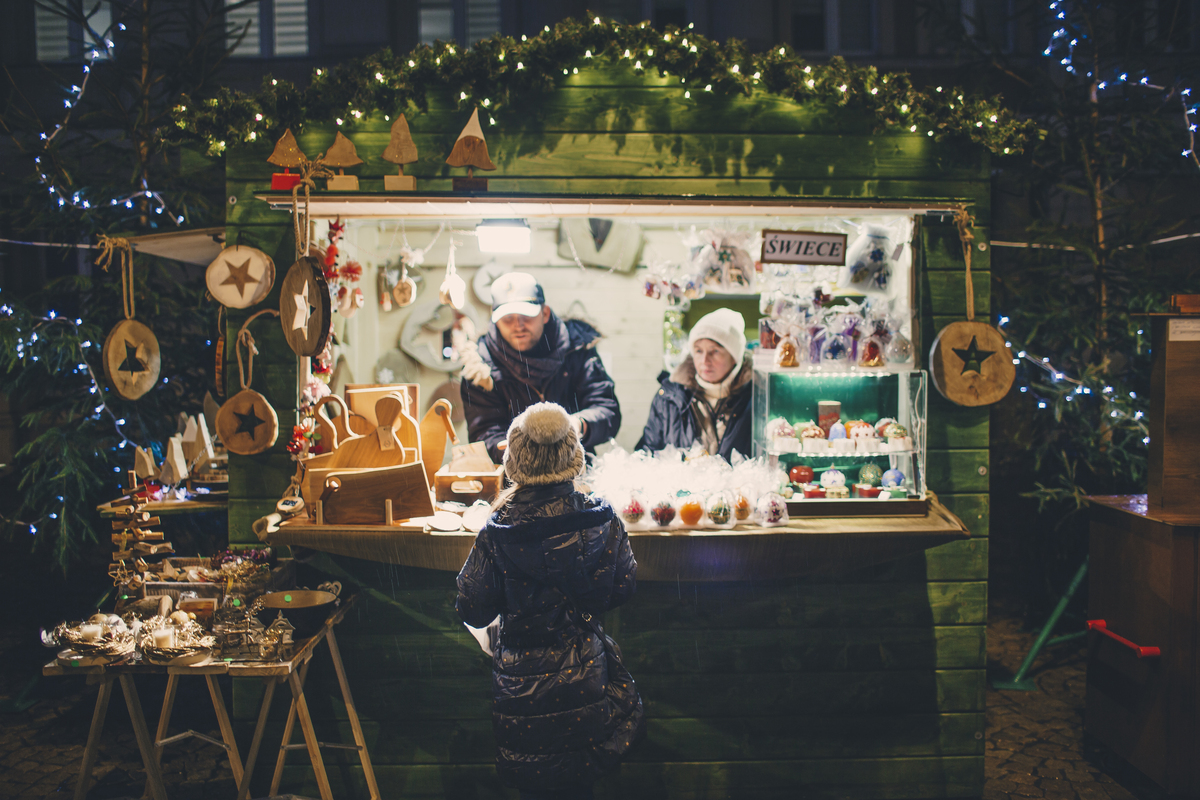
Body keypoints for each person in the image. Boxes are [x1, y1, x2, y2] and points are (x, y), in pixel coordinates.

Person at [456, 402, 643, 800]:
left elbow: (472, 607)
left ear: (514, 461)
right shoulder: (603, 518)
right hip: (585, 675)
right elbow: (623, 586)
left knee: (535, 787)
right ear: (574, 457)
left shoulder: (497, 529)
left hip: (520, 687)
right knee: (581, 782)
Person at [459, 272, 621, 464]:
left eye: (526, 315)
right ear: (495, 320)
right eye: (507, 318)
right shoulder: (480, 368)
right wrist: (519, 449)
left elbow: (607, 409)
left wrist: (577, 425)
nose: (518, 326)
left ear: (544, 313)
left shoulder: (578, 347)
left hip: (576, 469)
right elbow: (484, 433)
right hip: (514, 479)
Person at [637, 307, 754, 460]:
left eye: (715, 351)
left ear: (734, 357)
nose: (705, 361)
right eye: (698, 351)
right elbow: (647, 451)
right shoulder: (669, 397)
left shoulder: (755, 398)